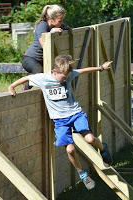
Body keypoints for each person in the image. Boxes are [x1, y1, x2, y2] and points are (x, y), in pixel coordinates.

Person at [8, 55, 113, 190]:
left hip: (75, 114)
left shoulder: (68, 75)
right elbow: (26, 78)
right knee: (70, 149)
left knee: (90, 138)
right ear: (54, 71)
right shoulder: (42, 78)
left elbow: (83, 70)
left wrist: (101, 67)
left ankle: (103, 150)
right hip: (60, 120)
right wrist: (12, 86)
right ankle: (83, 175)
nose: (65, 79)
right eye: (63, 77)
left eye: (67, 77)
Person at [22, 4, 72, 90]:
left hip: (43, 60)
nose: (62, 23)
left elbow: (64, 27)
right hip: (30, 58)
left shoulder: (57, 25)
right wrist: (51, 32)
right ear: (51, 19)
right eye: (60, 21)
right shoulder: (42, 26)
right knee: (39, 71)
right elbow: (45, 46)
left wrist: (68, 29)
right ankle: (24, 90)